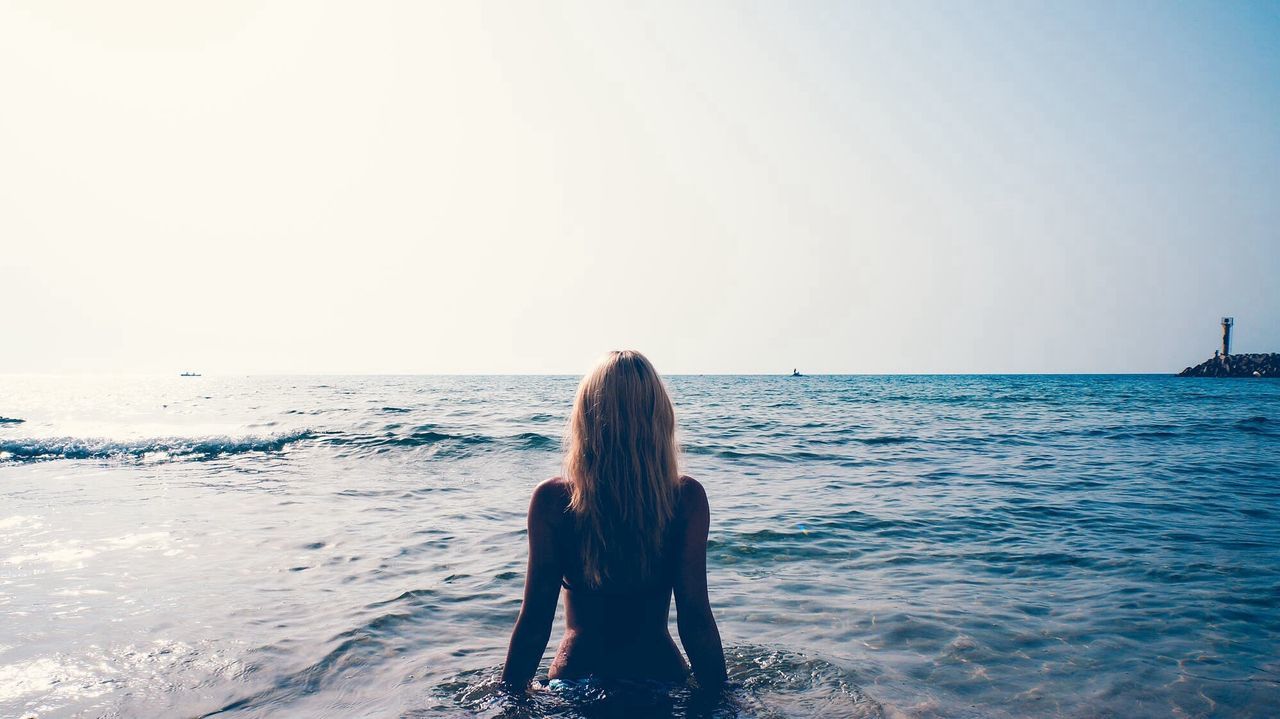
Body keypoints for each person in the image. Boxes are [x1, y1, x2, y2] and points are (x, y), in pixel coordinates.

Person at [501, 350, 727, 691]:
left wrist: (507, 699)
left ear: (586, 419)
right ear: (659, 418)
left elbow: (535, 621)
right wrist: (722, 698)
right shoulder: (685, 500)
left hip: (577, 681)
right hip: (660, 681)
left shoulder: (553, 501)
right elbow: (694, 618)